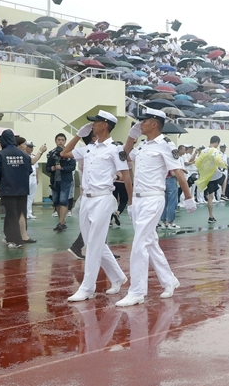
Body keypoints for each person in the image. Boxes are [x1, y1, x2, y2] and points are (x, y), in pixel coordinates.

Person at [119, 107, 195, 306]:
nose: (140, 124)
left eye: (143, 121)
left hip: (153, 198)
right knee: (150, 242)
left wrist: (188, 197)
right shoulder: (143, 145)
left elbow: (178, 172)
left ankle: (137, 291)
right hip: (139, 199)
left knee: (139, 244)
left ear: (154, 123)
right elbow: (123, 155)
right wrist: (131, 136)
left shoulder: (166, 145)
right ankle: (169, 280)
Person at [63, 110, 133, 302]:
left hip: (103, 199)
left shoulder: (114, 149)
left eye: (95, 122)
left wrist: (131, 202)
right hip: (86, 199)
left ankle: (87, 287)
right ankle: (118, 277)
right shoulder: (89, 148)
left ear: (105, 125)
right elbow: (65, 152)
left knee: (93, 245)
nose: (92, 125)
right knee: (95, 243)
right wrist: (78, 135)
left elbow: (125, 175)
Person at [0, 129, 32, 249]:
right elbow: (29, 170)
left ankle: (16, 241)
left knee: (11, 214)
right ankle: (9, 237)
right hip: (23, 189)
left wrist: (3, 180)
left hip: (8, 189)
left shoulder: (0, 154)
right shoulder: (24, 154)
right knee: (20, 213)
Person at [46, 132, 76, 231]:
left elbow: (72, 167)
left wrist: (62, 168)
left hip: (66, 180)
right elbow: (47, 168)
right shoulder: (51, 153)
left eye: (62, 140)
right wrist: (52, 168)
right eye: (59, 140)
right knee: (56, 202)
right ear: (55, 141)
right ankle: (62, 222)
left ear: (65, 141)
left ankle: (61, 222)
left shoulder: (70, 153)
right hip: (54, 181)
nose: (60, 142)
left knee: (63, 201)